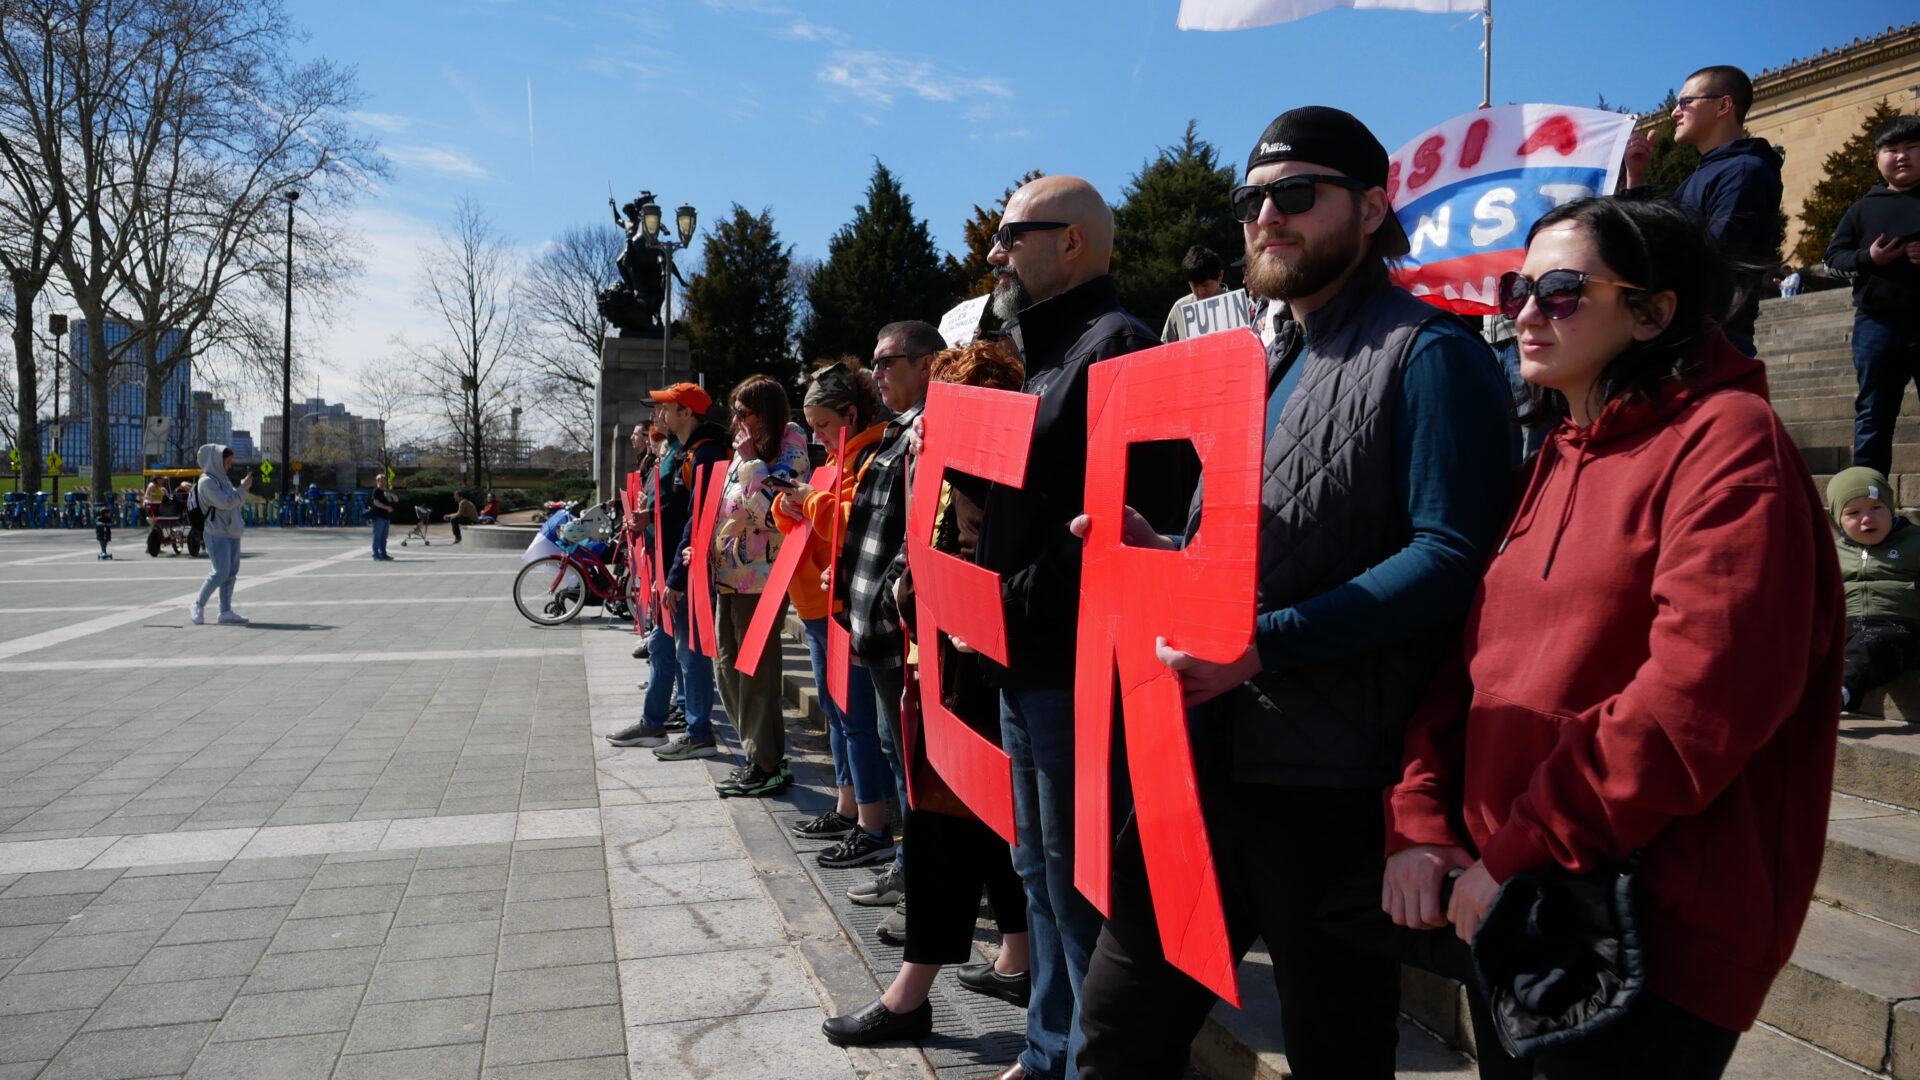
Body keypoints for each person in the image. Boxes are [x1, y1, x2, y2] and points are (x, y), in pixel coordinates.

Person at [1074, 107, 1514, 1080]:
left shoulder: (1433, 354)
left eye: (1295, 193)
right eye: (1252, 199)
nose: (1266, 215)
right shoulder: (1270, 362)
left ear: (1368, 208)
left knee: (1336, 1054)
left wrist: (1269, 644)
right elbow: (1234, 556)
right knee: (1115, 1033)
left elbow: (1455, 558)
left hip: (1332, 789)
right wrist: (1157, 554)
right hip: (1202, 762)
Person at [1383, 196, 1842, 1079]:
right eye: (1518, 287)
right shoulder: (1553, 452)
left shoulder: (1731, 441)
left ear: (1653, 311)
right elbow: (1465, 666)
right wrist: (1420, 817)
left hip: (1642, 927)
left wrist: (1521, 846)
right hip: (1510, 899)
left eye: (1559, 290)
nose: (1522, 310)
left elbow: (1700, 696)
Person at [973, 174, 1199, 1080]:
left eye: (1010, 234)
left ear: (1071, 242)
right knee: (1037, 871)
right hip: (1025, 660)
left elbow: (1131, 520)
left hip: (1081, 669)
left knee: (1081, 885)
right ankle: (1049, 1046)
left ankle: (1090, 1060)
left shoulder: (1120, 347)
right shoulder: (1046, 351)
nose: (995, 252)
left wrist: (1009, 594)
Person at [821, 340, 1032, 1048]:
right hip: (948, 669)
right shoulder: (961, 463)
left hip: (969, 679)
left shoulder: (984, 474)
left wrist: (916, 592)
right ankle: (1018, 953)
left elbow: (968, 566)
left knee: (943, 827)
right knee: (987, 825)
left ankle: (911, 995)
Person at [836, 320, 943, 919]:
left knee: (908, 754)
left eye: (887, 361)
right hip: (875, 622)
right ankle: (909, 867)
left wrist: (878, 606)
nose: (875, 372)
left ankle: (920, 878)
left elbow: (919, 531)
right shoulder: (898, 430)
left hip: (899, 627)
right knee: (890, 743)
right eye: (874, 362)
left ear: (927, 363)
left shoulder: (930, 429)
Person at [774, 358, 897, 863]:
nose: (818, 435)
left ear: (849, 414)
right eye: (811, 427)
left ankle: (872, 826)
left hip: (848, 609)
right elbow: (809, 522)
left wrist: (807, 503)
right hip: (822, 605)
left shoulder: (873, 453)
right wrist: (793, 504)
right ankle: (851, 810)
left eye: (823, 425)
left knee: (859, 721)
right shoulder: (842, 457)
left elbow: (854, 522)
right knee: (839, 714)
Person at [1622, 65, 1781, 357]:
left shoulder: (1745, 171)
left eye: (1686, 102)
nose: (1674, 113)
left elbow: (1714, 255)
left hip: (1714, 336)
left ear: (1723, 105)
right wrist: (1636, 178)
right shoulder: (1701, 178)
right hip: (1689, 330)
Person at [708, 374, 810, 798]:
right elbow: (727, 508)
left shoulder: (790, 444)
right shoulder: (741, 451)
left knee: (756, 674)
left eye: (743, 411)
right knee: (726, 668)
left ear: (765, 412)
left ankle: (766, 762)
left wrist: (751, 463)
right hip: (726, 576)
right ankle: (759, 756)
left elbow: (775, 514)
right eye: (733, 410)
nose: (735, 419)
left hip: (760, 579)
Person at [619, 384, 730, 760]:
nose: (658, 415)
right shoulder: (685, 450)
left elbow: (699, 518)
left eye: (665, 407)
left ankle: (699, 732)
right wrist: (651, 515)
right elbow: (679, 507)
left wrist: (677, 580)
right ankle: (653, 723)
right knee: (662, 646)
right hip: (673, 570)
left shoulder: (707, 451)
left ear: (685, 411)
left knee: (690, 651)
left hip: (687, 572)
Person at [1824, 113, 1920, 477]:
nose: (1901, 156)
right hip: (1877, 324)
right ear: (1877, 158)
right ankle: (1868, 504)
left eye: (1912, 147)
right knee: (1873, 415)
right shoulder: (1862, 209)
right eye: (1891, 149)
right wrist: (1870, 258)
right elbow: (1833, 261)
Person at [1828, 467, 1920, 711]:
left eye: (1876, 508)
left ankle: (1839, 694)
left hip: (1899, 626)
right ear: (1839, 520)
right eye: (1854, 513)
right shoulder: (1834, 553)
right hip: (1845, 625)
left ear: (1890, 508)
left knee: (1871, 644)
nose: (1867, 518)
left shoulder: (1915, 541)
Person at [191, 443, 255, 625]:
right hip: (216, 532)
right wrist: (242, 489)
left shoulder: (222, 480)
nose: (229, 466)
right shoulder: (207, 482)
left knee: (231, 572)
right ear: (217, 462)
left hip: (231, 531)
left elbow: (233, 501)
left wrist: (241, 490)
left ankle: (225, 611)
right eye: (227, 462)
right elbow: (226, 502)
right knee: (220, 571)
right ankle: (198, 604)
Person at [1159, 244, 1228, 343]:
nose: (1201, 292)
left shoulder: (1239, 306)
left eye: (1205, 285)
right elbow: (1164, 349)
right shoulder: (1179, 309)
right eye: (1195, 286)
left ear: (1220, 276)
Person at [369, 476, 394, 560]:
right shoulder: (376, 491)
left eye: (385, 481)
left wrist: (391, 495)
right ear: (377, 482)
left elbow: (395, 500)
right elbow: (376, 502)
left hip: (386, 517)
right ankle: (375, 554)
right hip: (378, 517)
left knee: (384, 537)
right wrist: (386, 507)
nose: (383, 483)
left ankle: (383, 553)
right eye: (381, 481)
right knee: (377, 536)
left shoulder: (386, 492)